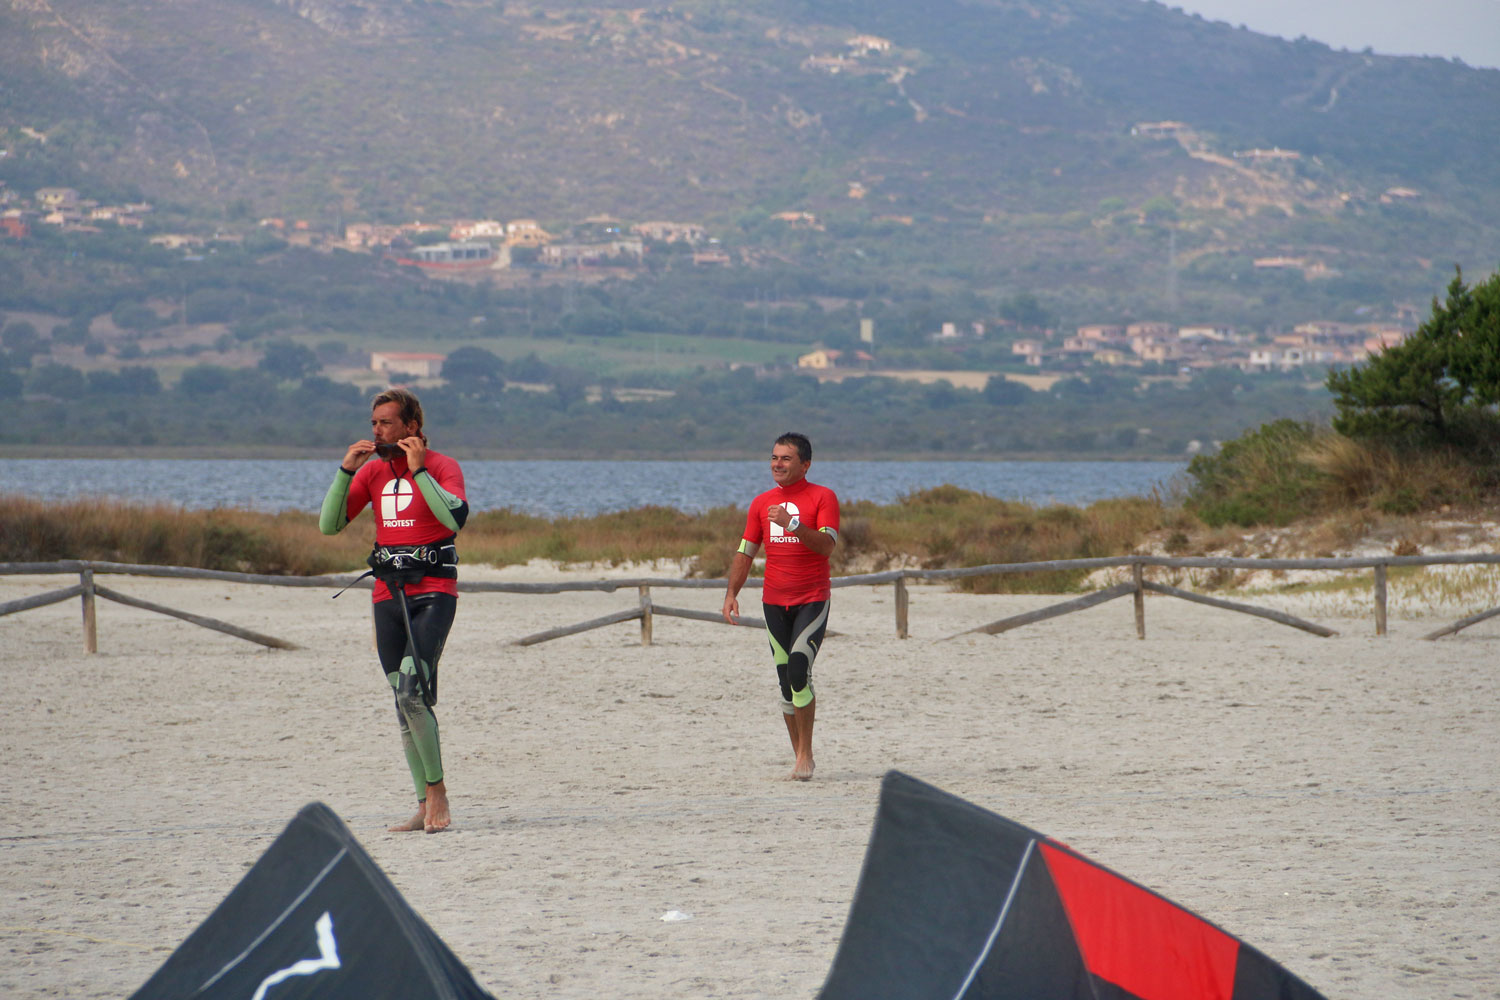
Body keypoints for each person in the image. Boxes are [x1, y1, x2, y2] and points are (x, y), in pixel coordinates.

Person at [319, 388, 469, 833]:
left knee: (410, 693)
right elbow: (329, 525)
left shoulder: (442, 466)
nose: (377, 430)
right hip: (387, 598)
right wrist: (346, 471)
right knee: (403, 703)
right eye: (374, 423)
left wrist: (419, 470)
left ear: (411, 426)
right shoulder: (372, 472)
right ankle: (423, 804)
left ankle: (437, 791)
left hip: (434, 594)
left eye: (386, 422)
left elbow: (453, 519)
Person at [721, 432, 840, 780]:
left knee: (799, 670)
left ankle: (805, 754)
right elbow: (746, 551)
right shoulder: (761, 503)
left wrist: (791, 524)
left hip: (811, 599)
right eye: (774, 457)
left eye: (786, 458)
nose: (777, 464)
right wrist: (731, 592)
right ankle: (800, 755)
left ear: (805, 464)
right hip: (774, 602)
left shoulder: (823, 497)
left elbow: (827, 546)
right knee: (786, 682)